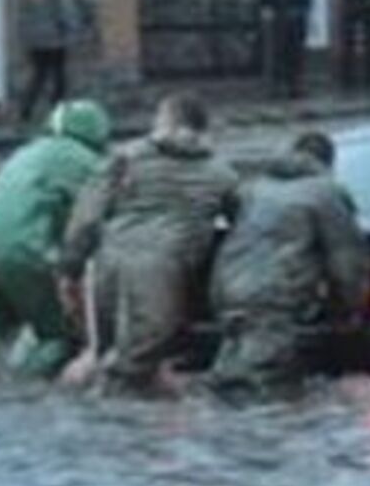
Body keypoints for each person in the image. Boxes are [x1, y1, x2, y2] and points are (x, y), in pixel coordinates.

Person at [57, 95, 239, 394]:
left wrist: (70, 269)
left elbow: (86, 217)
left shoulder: (124, 159)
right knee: (132, 374)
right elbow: (244, 227)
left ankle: (80, 420)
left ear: (163, 123)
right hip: (163, 272)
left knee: (105, 356)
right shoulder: (222, 174)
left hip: (109, 264)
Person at [0, 99, 112, 381]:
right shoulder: (89, 162)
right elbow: (106, 221)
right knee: (62, 335)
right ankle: (24, 394)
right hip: (23, 250)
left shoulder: (27, 152)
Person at [207, 132, 370, 392]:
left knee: (230, 367)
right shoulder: (326, 193)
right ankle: (253, 428)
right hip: (275, 294)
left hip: (227, 287)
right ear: (328, 163)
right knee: (262, 380)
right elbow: (346, 259)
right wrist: (349, 309)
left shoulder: (253, 187)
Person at [19, 0, 81, 123]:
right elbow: (65, 13)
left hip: (36, 41)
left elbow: (25, 16)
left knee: (39, 76)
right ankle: (57, 111)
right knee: (59, 77)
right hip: (55, 40)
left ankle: (26, 109)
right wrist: (73, 31)